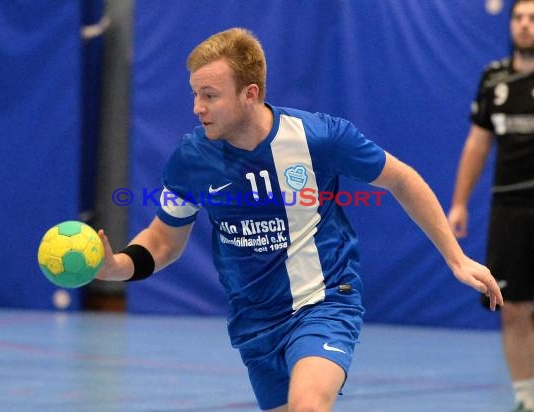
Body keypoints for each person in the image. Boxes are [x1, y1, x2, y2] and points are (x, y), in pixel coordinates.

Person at [97, 27, 503, 412]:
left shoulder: (318, 138)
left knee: (309, 404)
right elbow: (164, 241)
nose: (197, 107)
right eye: (195, 94)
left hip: (323, 301)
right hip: (254, 320)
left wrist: (456, 258)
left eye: (209, 95)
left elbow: (402, 179)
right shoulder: (191, 160)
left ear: (249, 94)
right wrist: (117, 267)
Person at [448, 1, 534, 411]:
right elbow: (477, 143)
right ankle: (526, 398)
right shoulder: (493, 78)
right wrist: (460, 203)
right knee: (513, 307)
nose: (524, 24)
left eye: (533, 18)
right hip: (510, 209)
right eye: (518, 17)